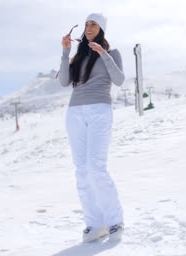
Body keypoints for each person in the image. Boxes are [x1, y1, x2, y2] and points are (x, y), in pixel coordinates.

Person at [59, 13, 125, 243]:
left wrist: (103, 54)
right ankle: (96, 224)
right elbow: (64, 82)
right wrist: (66, 51)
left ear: (101, 29)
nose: (88, 27)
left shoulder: (112, 53)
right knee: (81, 170)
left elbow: (118, 79)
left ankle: (115, 221)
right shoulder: (79, 56)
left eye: (92, 24)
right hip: (75, 112)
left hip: (99, 110)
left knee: (96, 167)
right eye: (86, 24)